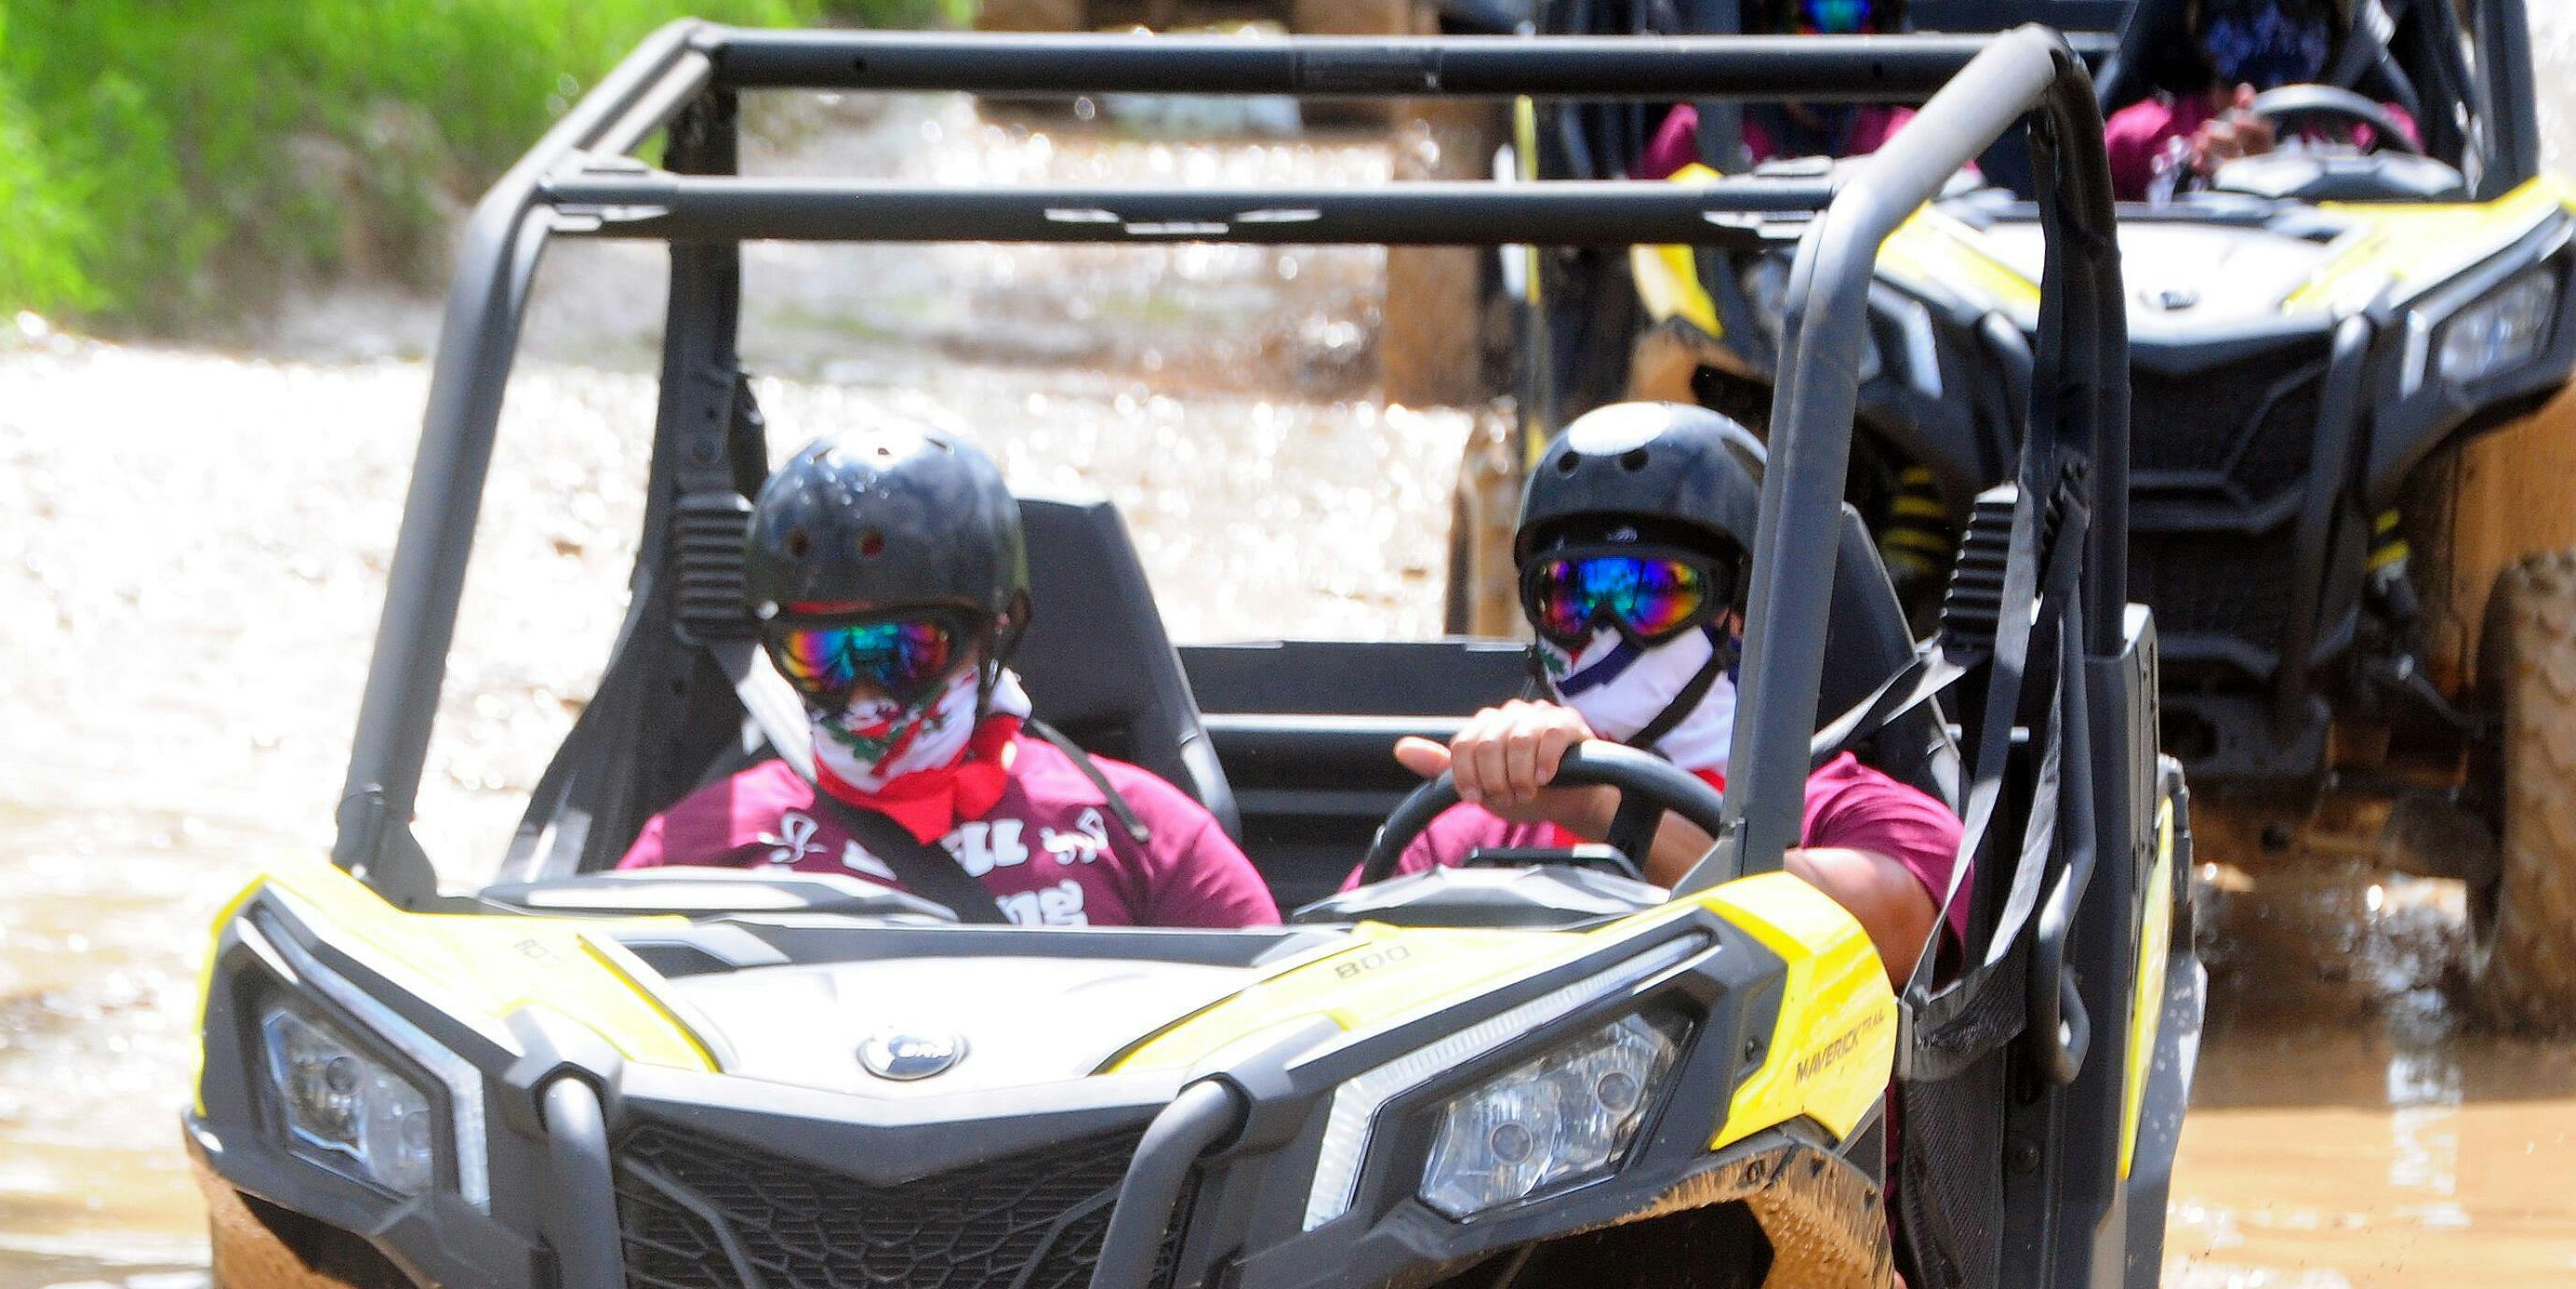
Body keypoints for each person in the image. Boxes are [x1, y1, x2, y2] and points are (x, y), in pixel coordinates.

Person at [1368, 403, 1961, 993]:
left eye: (1649, 593)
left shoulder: (1865, 816)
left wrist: (1605, 807)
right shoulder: (1468, 831)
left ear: (1742, 615)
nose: (1601, 628)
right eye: (1569, 594)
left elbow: (1882, 936)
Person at [620, 428, 1278, 931]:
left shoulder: (1144, 833)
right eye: (823, 656)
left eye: (904, 651)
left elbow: (1281, 1029)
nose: (864, 696)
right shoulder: (695, 850)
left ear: (995, 631)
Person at [2103, 0, 2411, 201]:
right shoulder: (2135, 138)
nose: (2266, 31)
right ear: (2201, 19)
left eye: (2295, 19)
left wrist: (2275, 176)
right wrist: (2193, 181)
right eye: (2241, 11)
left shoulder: (2372, 138)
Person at [1642, 0, 1919, 177]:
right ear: (1771, 22)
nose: (1834, 40)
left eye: (1857, 20)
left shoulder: (1912, 144)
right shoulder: (1699, 138)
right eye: (1812, 19)